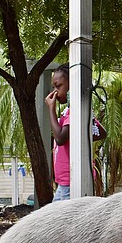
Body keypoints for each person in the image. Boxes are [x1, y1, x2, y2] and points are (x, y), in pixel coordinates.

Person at [45, 64, 72, 201]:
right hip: (63, 181)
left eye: (58, 86)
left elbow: (60, 139)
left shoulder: (74, 111)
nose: (55, 92)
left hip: (69, 181)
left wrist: (51, 109)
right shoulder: (67, 111)